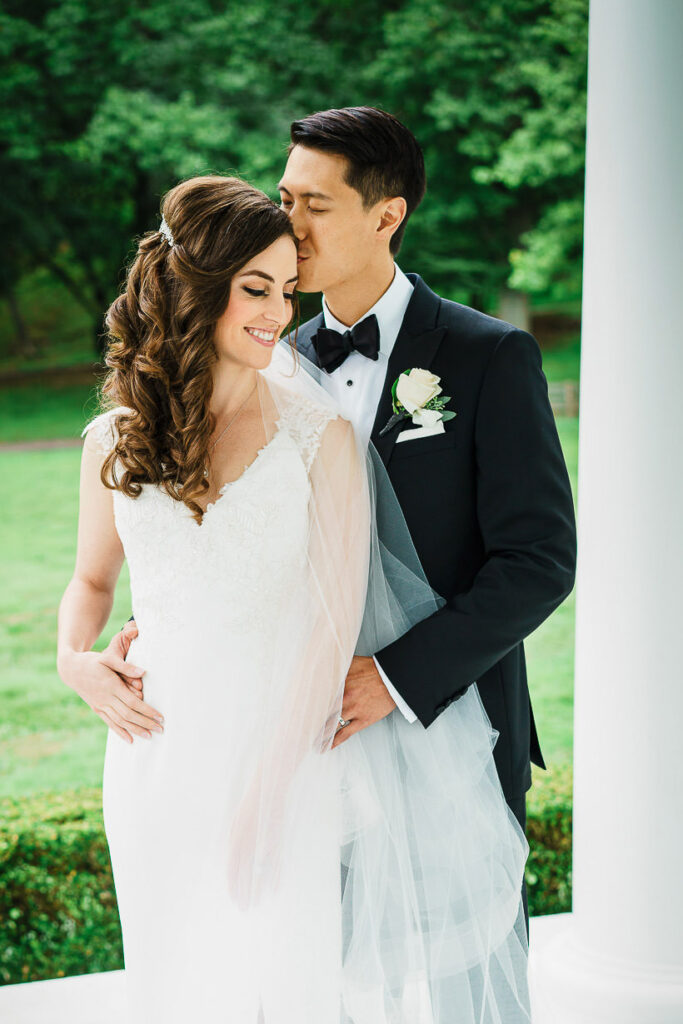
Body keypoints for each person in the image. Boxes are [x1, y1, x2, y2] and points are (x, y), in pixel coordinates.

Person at [58, 174, 531, 1022]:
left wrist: (270, 791)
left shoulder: (321, 440)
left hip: (283, 758)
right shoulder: (113, 437)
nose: (278, 312)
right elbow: (91, 580)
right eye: (254, 289)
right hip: (155, 756)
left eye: (285, 289)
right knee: (176, 979)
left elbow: (328, 626)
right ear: (192, 287)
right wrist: (73, 660)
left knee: (283, 982)